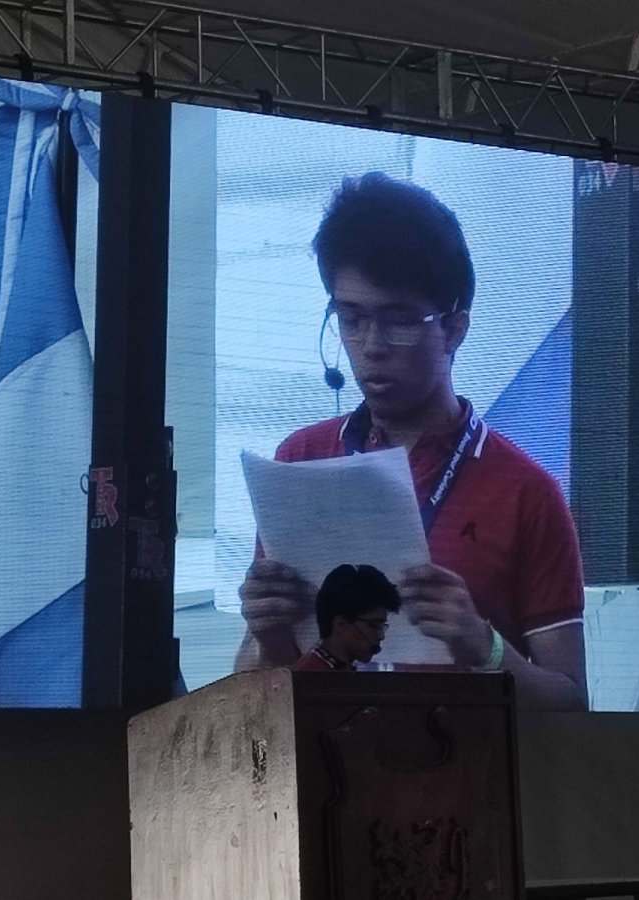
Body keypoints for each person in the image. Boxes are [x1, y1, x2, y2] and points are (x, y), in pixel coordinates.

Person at [236, 171, 587, 710]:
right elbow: (251, 685)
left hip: (463, 760)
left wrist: (486, 647)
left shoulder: (526, 492)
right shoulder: (301, 460)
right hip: (328, 757)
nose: (371, 345)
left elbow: (572, 704)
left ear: (454, 329)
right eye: (350, 319)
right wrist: (267, 634)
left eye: (397, 321)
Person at [294, 564, 401, 671]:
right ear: (340, 624)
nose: (381, 636)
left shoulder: (326, 670)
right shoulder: (307, 675)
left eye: (382, 627)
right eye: (373, 625)